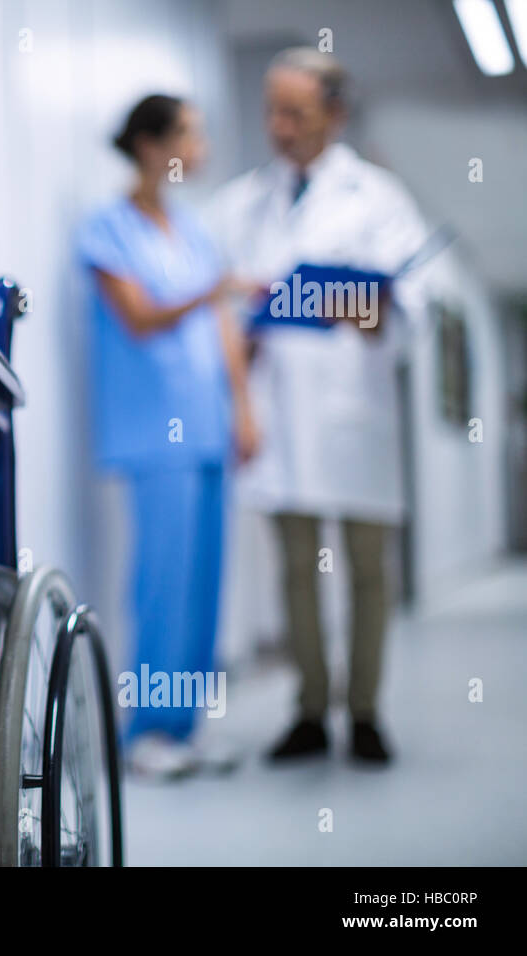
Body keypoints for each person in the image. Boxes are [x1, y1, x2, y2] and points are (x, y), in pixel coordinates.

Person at [209, 48, 429, 765]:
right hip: (280, 415)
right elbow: (223, 300)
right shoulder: (245, 200)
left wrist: (336, 301)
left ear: (334, 114)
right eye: (272, 110)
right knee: (294, 567)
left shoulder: (378, 197)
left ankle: (364, 713)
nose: (279, 126)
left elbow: (411, 303)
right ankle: (310, 710)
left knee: (367, 568)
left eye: (295, 112)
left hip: (351, 411)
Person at [77, 94, 258, 780]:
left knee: (204, 585)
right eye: (192, 133)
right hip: (154, 432)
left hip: (208, 426)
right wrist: (212, 289)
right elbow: (141, 317)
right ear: (153, 146)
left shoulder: (193, 228)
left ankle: (185, 727)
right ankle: (146, 732)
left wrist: (243, 408)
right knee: (161, 586)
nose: (203, 146)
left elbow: (223, 329)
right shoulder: (106, 229)